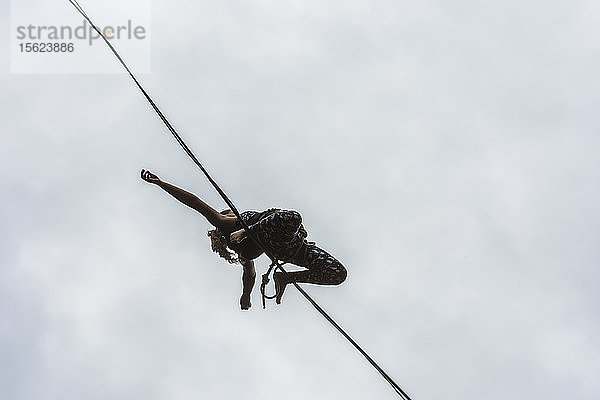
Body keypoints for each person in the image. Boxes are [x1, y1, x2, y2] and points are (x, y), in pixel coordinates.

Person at [140, 169, 347, 310]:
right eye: (228, 211)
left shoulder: (243, 253)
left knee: (338, 274)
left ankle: (286, 278)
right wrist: (160, 183)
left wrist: (246, 295)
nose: (231, 210)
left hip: (292, 248)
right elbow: (195, 202)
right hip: (273, 236)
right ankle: (252, 233)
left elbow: (250, 276)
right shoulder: (228, 224)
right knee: (293, 217)